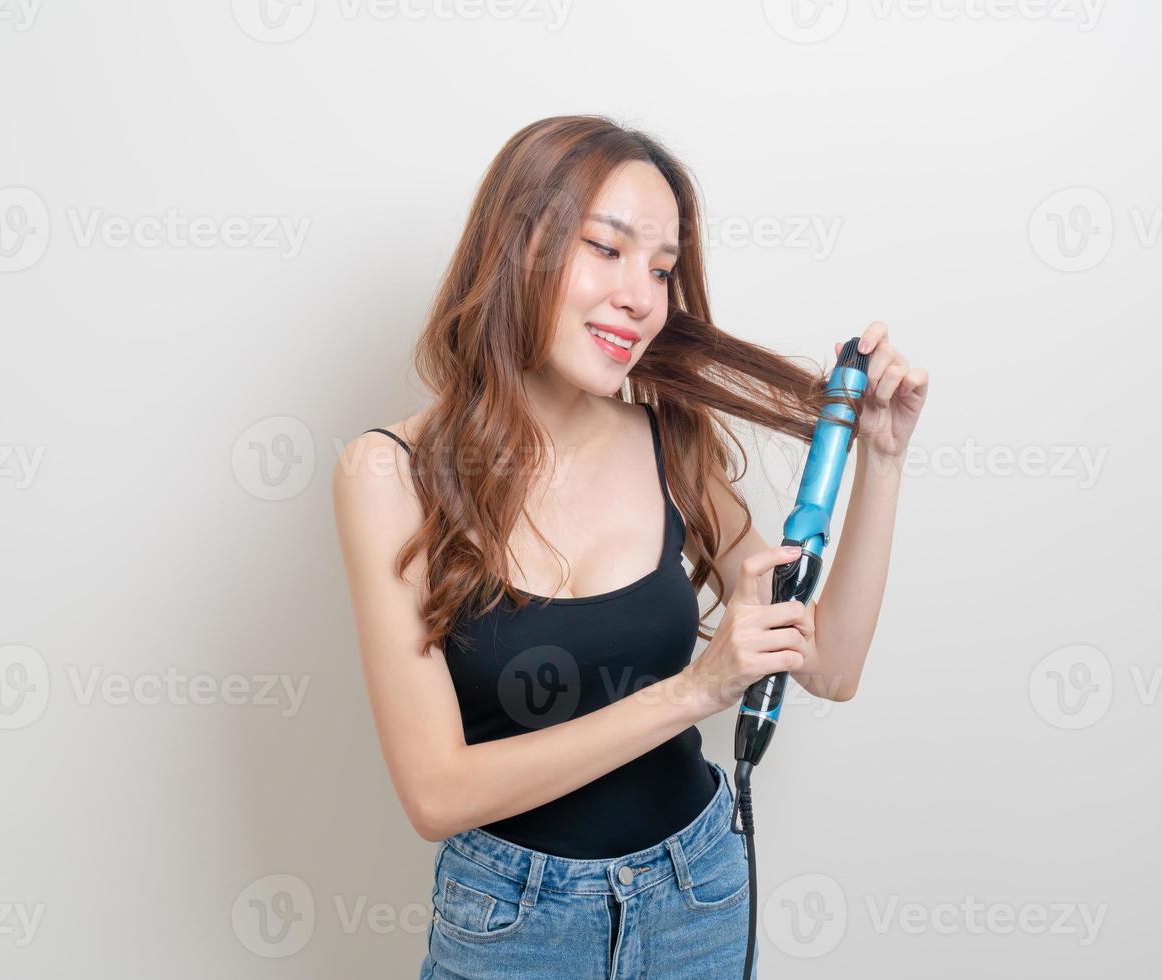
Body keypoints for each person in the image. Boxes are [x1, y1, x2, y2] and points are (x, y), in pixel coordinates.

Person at [332, 114, 928, 979]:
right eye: (606, 250)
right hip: (511, 926)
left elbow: (830, 666)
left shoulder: (671, 445)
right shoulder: (389, 474)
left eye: (661, 269)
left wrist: (882, 458)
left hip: (698, 896)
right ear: (517, 247)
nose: (643, 299)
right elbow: (435, 792)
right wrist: (694, 691)